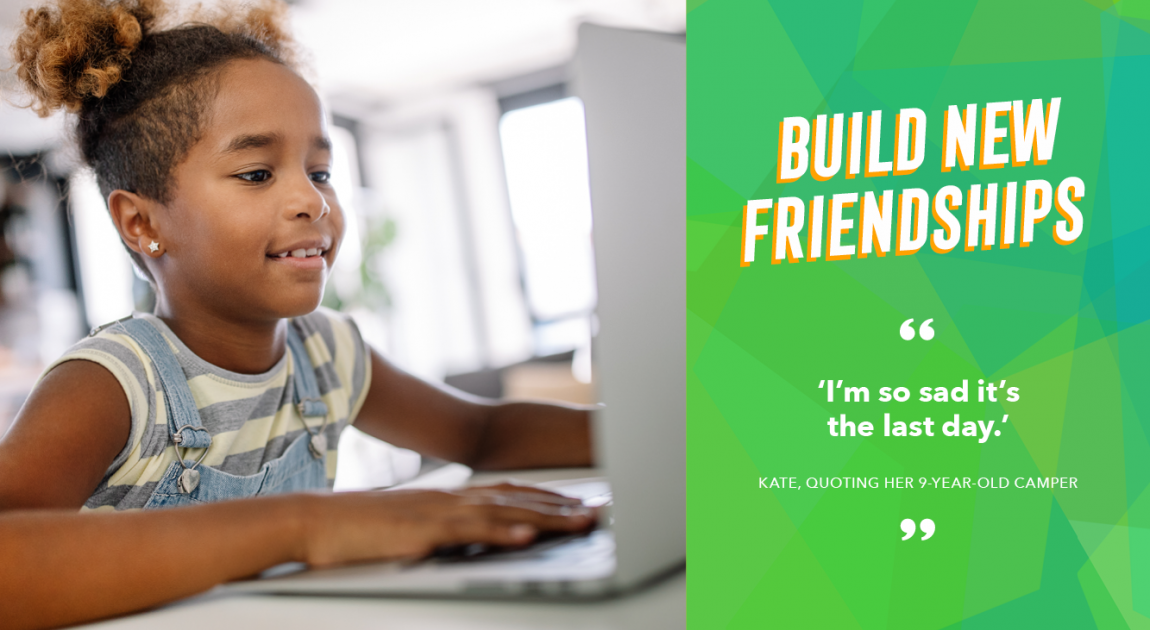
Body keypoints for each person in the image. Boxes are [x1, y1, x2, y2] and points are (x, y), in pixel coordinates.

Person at [0, 0, 595, 624]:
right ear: (142, 223)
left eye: (321, 170)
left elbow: (482, 434)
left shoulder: (326, 353)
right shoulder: (112, 382)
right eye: (257, 173)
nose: (312, 199)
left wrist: (680, 437)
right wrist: (303, 526)